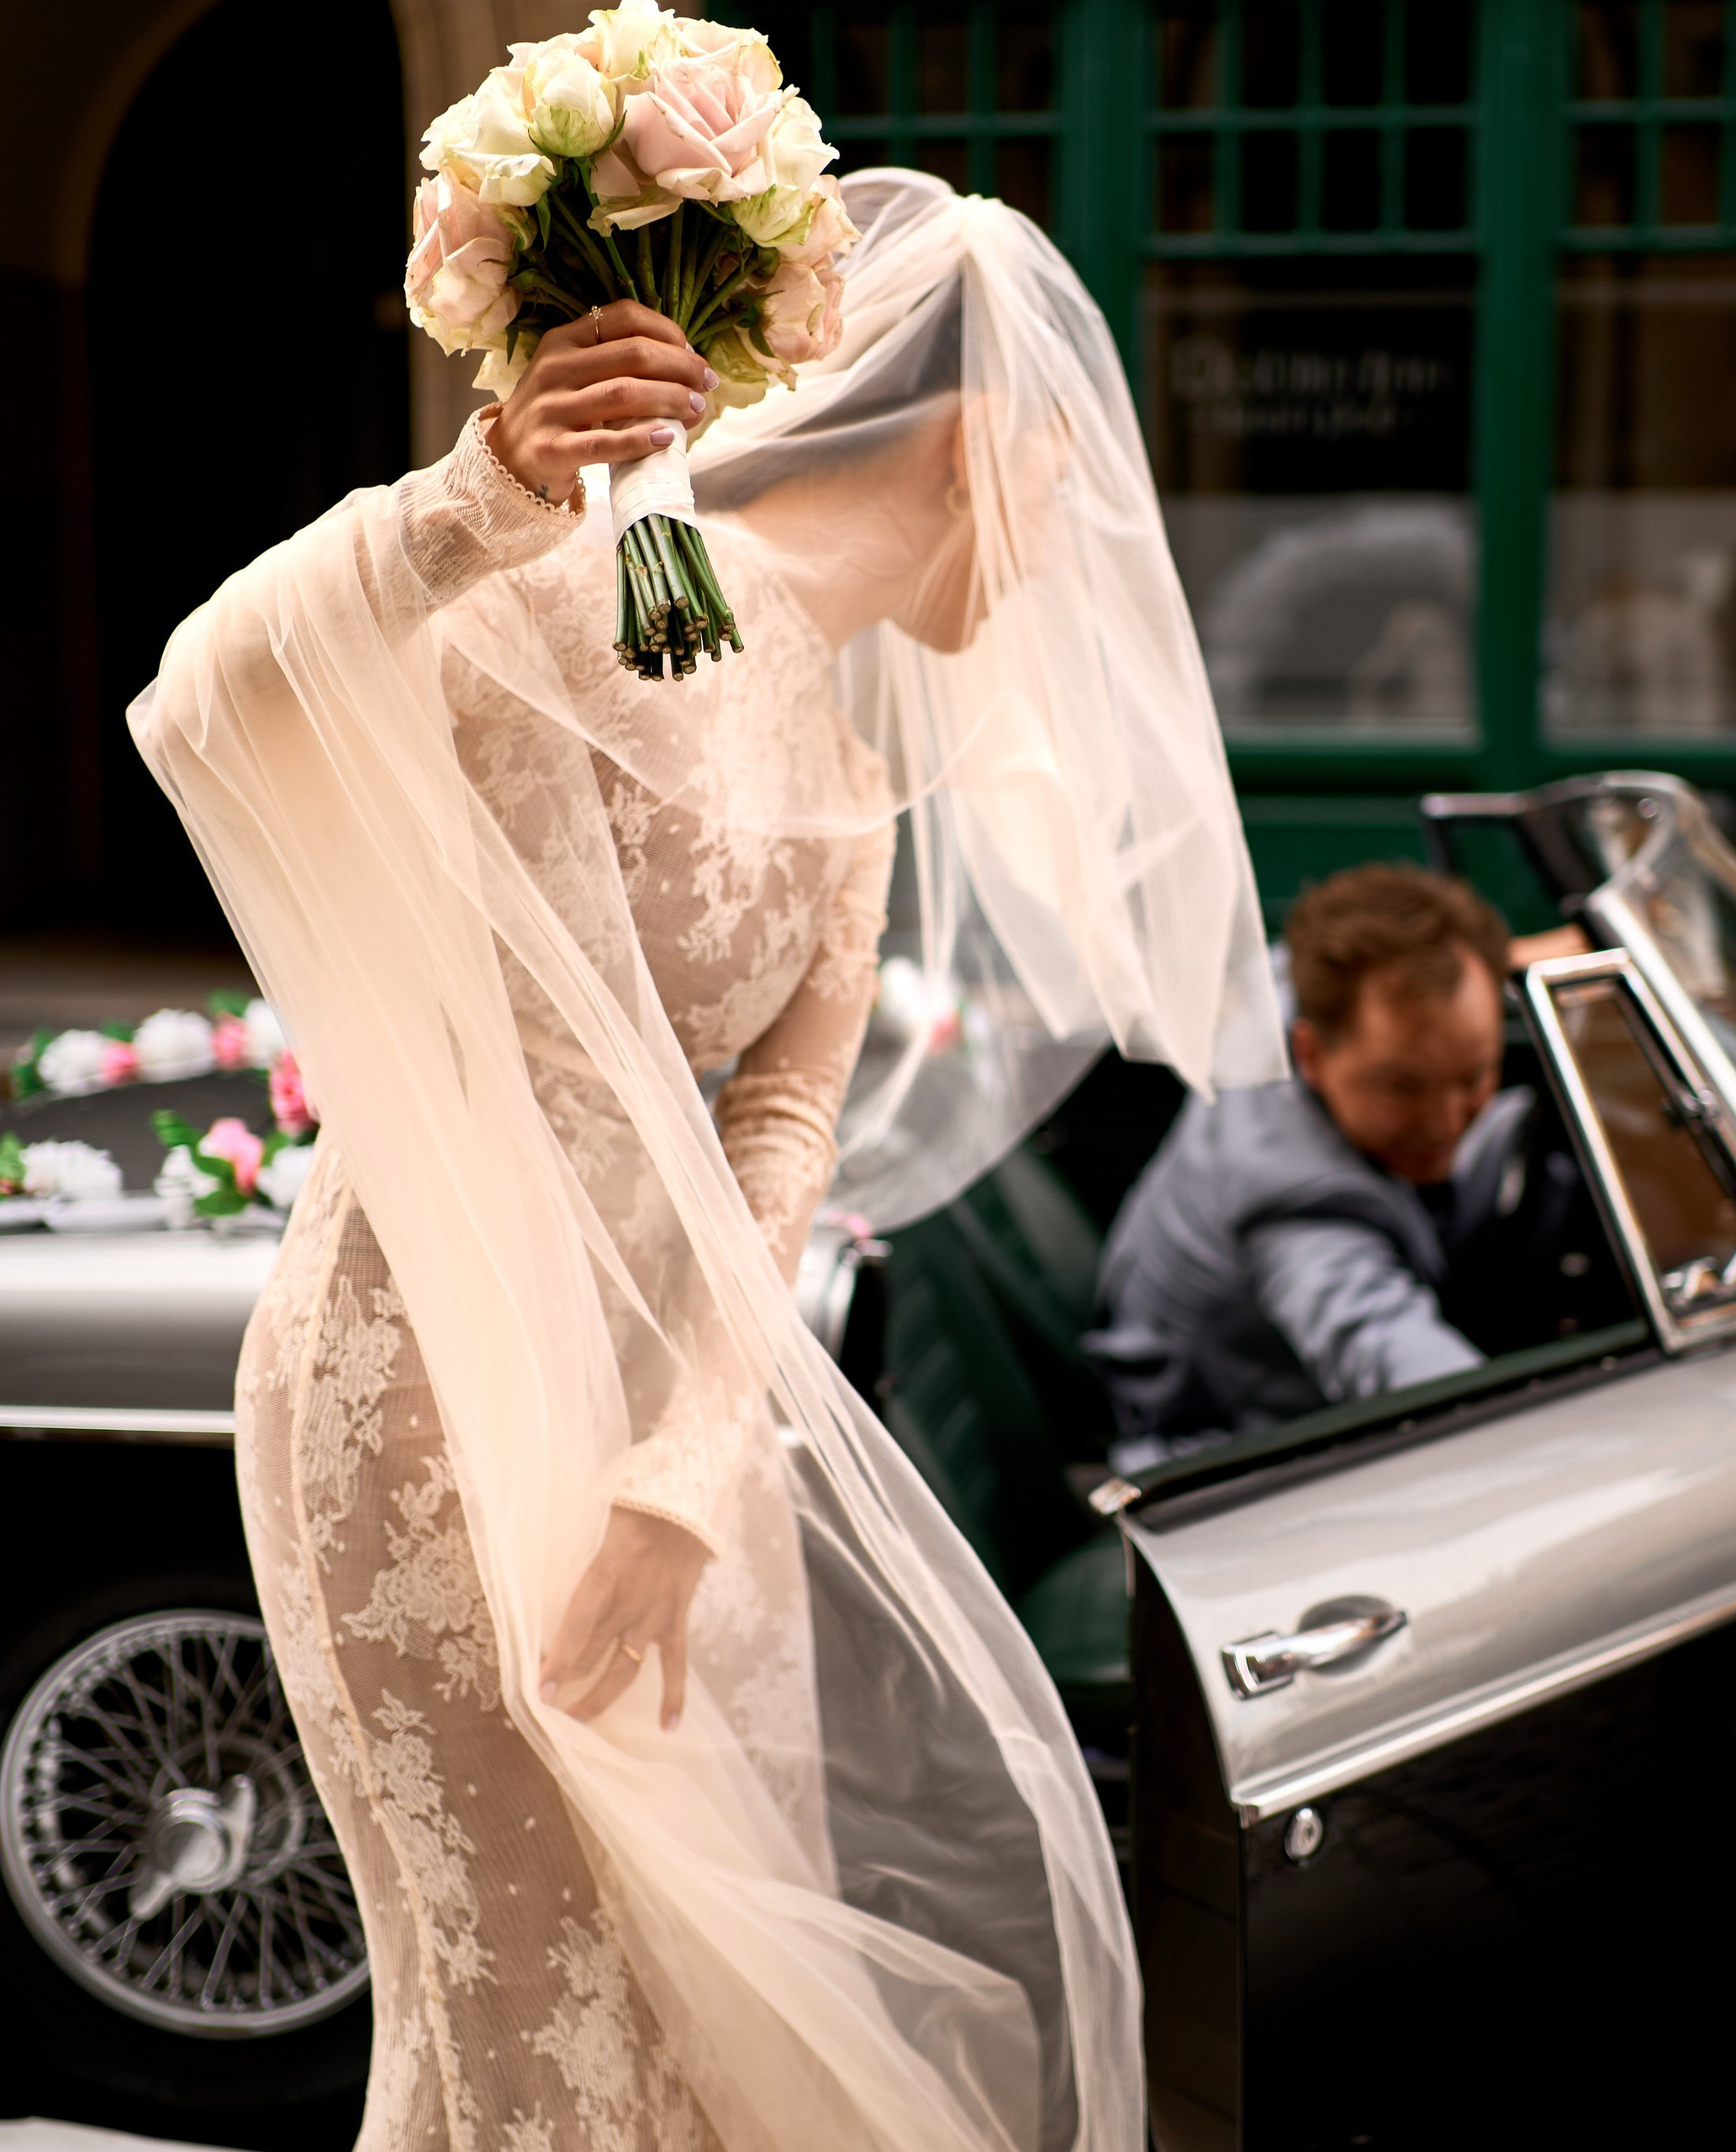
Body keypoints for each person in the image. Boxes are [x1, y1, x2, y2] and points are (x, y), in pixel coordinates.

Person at [130, 170, 1280, 2152]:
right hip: (427, 1385)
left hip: (688, 1444)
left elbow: (781, 1118)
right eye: (1072, 479)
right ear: (982, 434)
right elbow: (209, 702)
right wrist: (477, 492)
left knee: (694, 2022)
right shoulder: (562, 586)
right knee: (519, 2015)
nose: (1070, 558)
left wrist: (684, 1453)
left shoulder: (845, 762)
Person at [1090, 864, 1570, 1470]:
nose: (1446, 1122)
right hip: (1224, 1464)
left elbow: (1410, 964)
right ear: (1310, 1052)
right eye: (1402, 1087)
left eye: (1474, 1077)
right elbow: (1393, 1359)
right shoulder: (1297, 1209)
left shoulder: (1298, 982)